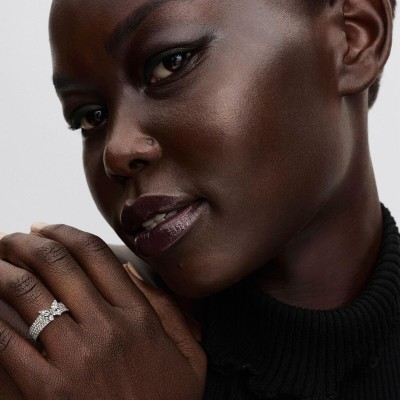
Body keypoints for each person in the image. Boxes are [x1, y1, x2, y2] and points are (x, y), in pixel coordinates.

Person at [0, 0, 398, 398]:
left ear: (355, 36)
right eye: (91, 116)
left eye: (170, 63)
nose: (116, 152)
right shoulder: (39, 351)